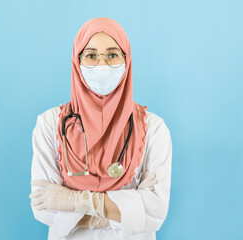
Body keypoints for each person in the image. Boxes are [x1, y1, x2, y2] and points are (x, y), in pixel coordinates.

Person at [29, 17, 172, 240]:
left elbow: (155, 210)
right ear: (77, 61)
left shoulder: (153, 129)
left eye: (112, 55)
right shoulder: (49, 124)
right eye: (91, 55)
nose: (102, 65)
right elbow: (43, 208)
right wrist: (128, 208)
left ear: (127, 59)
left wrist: (74, 201)